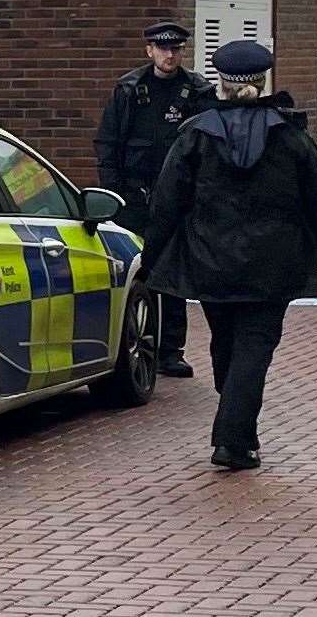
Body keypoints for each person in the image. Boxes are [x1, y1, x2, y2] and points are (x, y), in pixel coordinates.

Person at [141, 40, 317, 470]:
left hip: (210, 259)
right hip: (275, 261)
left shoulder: (195, 135)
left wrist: (152, 255)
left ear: (222, 84)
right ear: (263, 81)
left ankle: (236, 429)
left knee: (225, 341)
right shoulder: (290, 136)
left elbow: (167, 201)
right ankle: (232, 439)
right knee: (255, 346)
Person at [94, 20, 215, 378]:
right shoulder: (130, 90)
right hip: (136, 199)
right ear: (149, 51)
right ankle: (134, 345)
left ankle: (170, 351)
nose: (169, 54)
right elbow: (108, 144)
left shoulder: (197, 91)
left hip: (179, 200)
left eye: (175, 48)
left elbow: (210, 147)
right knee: (139, 273)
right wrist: (116, 194)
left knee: (174, 274)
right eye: (162, 48)